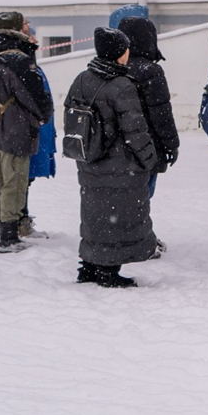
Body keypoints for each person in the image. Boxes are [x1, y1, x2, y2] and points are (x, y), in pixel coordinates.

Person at [64, 27, 159, 287]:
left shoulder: (83, 78)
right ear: (119, 54)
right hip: (120, 164)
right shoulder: (121, 85)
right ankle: (108, 272)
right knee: (118, 217)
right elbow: (135, 130)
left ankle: (89, 267)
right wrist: (150, 159)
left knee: (94, 214)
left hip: (89, 161)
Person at [0, 9, 53, 254]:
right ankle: (9, 236)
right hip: (16, 126)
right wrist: (44, 114)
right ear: (16, 28)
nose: (29, 27)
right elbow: (31, 94)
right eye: (25, 23)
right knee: (15, 180)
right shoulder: (16, 58)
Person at [114, 12, 178, 254]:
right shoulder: (150, 71)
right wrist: (171, 144)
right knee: (142, 194)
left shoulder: (111, 67)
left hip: (116, 144)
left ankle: (122, 233)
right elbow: (161, 112)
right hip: (146, 145)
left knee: (122, 194)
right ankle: (137, 238)